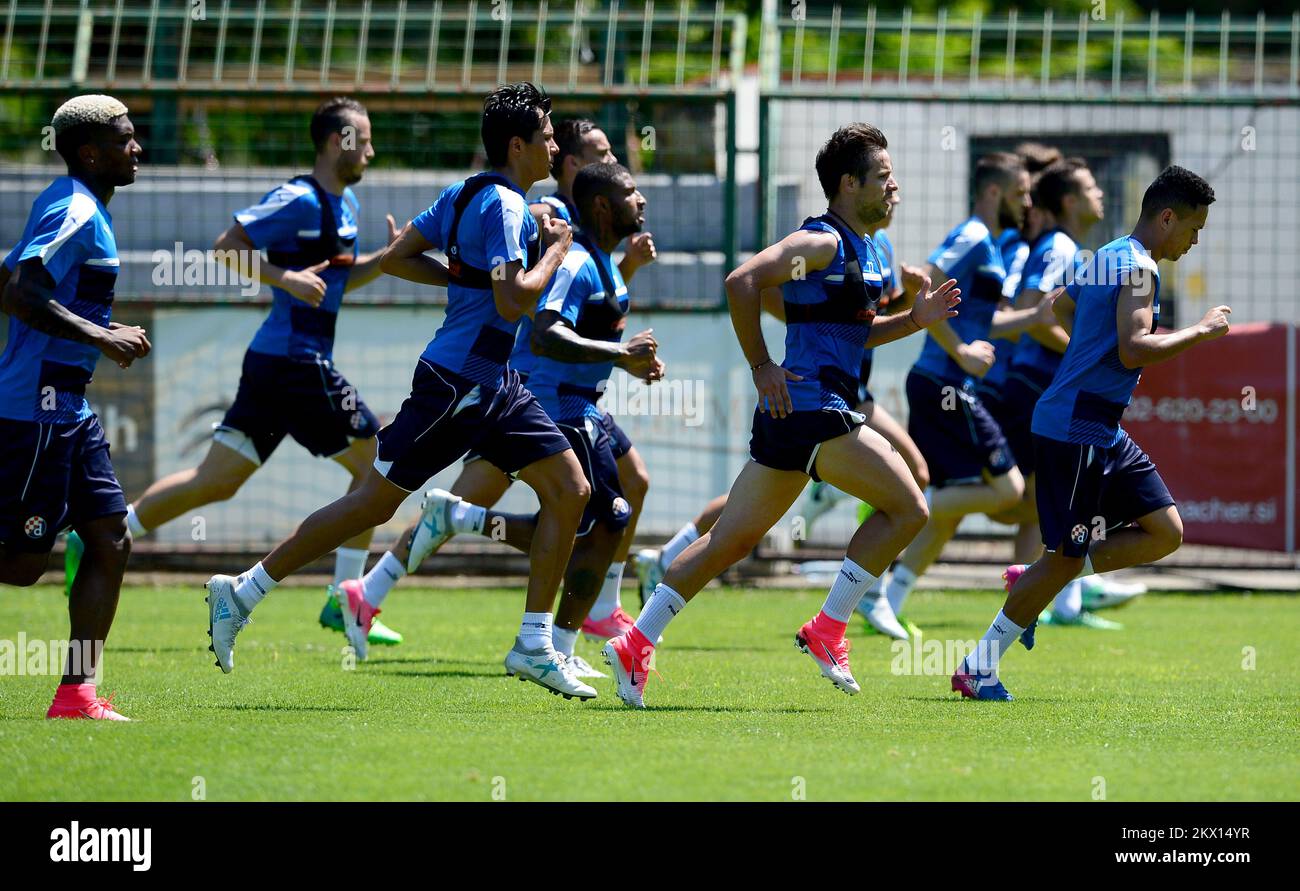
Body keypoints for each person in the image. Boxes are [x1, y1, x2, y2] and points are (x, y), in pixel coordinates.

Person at [205, 83, 599, 702]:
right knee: (373, 504)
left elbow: (395, 257)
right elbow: (513, 299)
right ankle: (245, 589)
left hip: (497, 384)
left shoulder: (466, 191)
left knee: (571, 490)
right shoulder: (503, 206)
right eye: (548, 135)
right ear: (517, 144)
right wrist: (555, 250)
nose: (556, 144)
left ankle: (533, 642)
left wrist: (464, 276)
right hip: (459, 384)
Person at [601, 123, 961, 708]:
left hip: (800, 415)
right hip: (815, 409)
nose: (895, 189)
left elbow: (857, 335)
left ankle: (635, 642)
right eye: (884, 178)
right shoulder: (820, 243)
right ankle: (829, 627)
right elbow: (742, 281)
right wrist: (762, 364)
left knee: (727, 542)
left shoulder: (868, 248)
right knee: (910, 506)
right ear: (849, 184)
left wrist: (916, 318)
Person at [353, 118, 658, 639]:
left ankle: (589, 607)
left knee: (619, 488)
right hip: (520, 380)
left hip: (547, 385)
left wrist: (622, 273)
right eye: (598, 153)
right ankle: (372, 591)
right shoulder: (551, 215)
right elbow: (539, 312)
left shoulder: (587, 228)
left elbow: (587, 306)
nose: (613, 164)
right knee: (561, 508)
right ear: (570, 166)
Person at [117, 98, 403, 645]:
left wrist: (384, 260)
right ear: (335, 141)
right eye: (362, 139)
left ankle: (112, 530)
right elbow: (227, 248)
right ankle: (347, 600)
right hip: (297, 361)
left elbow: (339, 282)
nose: (371, 149)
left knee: (216, 482)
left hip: (276, 365)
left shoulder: (347, 207)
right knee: (378, 465)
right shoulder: (297, 198)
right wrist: (285, 278)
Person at [954, 165, 1227, 700]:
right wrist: (1202, 332)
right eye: (1193, 229)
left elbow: (1060, 304)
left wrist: (1086, 346)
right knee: (1062, 558)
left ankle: (1040, 580)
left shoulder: (1108, 254)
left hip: (1096, 424)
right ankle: (977, 666)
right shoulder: (1140, 269)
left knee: (1165, 531)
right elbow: (1133, 348)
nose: (1194, 241)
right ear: (1167, 218)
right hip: (1076, 427)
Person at [411, 162, 661, 678]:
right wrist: (620, 353)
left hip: (585, 404)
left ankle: (557, 639)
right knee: (601, 517)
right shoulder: (574, 264)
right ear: (600, 205)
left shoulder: (608, 264)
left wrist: (630, 363)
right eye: (631, 192)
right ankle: (552, 642)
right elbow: (546, 333)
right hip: (555, 401)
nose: (641, 201)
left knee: (610, 511)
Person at [0, 94, 149, 720]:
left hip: (69, 408)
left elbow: (10, 275)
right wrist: (102, 336)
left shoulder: (81, 208)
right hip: (35, 410)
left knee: (111, 539)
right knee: (26, 564)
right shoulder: (75, 207)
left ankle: (76, 695)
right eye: (124, 138)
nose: (137, 147)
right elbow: (22, 291)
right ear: (90, 152)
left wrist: (93, 327)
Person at [880, 152, 1057, 636]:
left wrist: (1033, 319)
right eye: (1021, 193)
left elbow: (987, 321)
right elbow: (929, 286)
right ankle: (899, 511)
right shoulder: (975, 235)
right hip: (944, 384)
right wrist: (958, 351)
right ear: (995, 192)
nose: (1027, 203)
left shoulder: (992, 246)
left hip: (949, 383)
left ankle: (885, 600)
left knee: (956, 504)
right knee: (1011, 489)